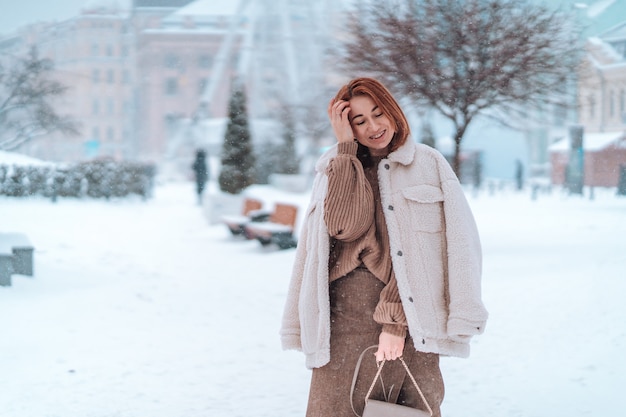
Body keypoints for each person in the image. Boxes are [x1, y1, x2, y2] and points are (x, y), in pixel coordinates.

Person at [280, 77, 488, 417]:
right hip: (343, 317)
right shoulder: (336, 168)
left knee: (411, 409)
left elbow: (444, 250)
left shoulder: (428, 165)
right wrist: (346, 150)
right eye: (359, 121)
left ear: (393, 111)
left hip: (411, 314)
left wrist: (395, 323)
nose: (374, 127)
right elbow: (345, 226)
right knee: (333, 408)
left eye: (378, 114)